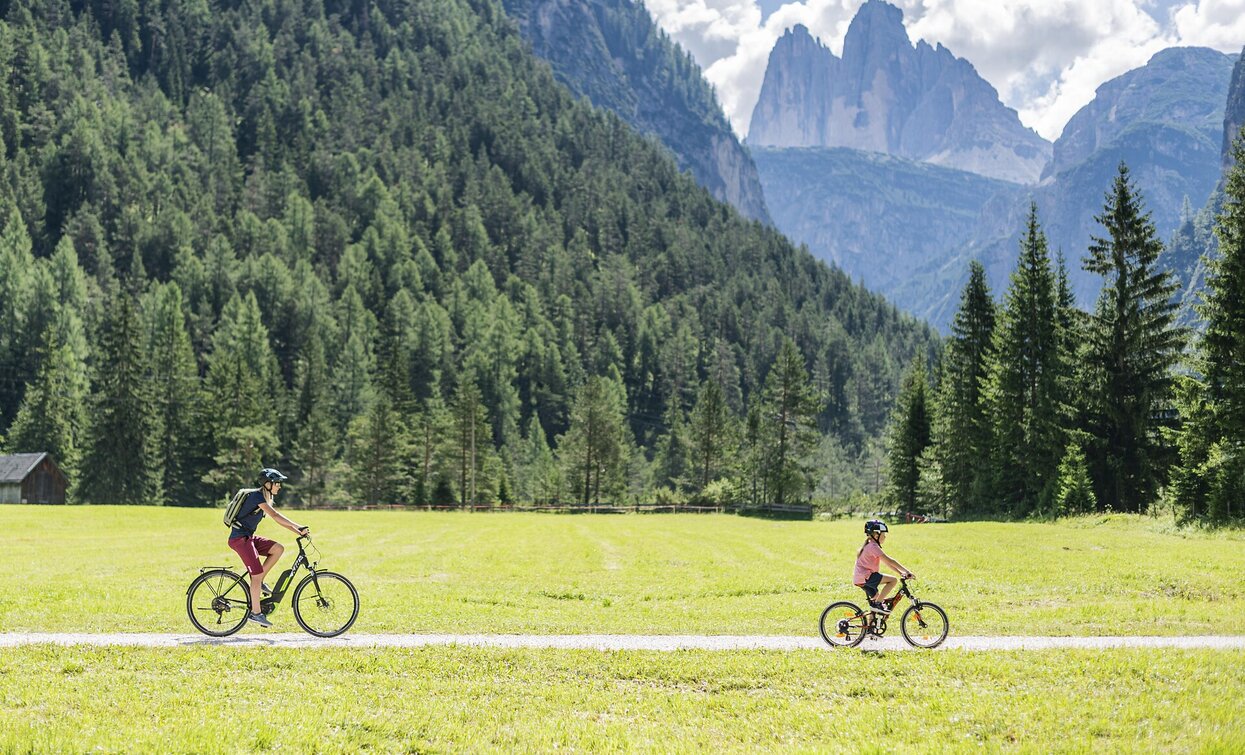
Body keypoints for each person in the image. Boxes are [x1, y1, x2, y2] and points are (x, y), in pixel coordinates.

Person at [227, 468, 310, 627]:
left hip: (248, 538)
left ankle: (259, 580)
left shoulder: (264, 497)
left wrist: (297, 531)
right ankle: (255, 613)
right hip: (240, 539)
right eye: (277, 483)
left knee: (277, 549)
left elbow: (277, 520)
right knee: (256, 576)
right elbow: (276, 516)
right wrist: (298, 526)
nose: (279, 486)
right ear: (267, 484)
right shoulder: (256, 496)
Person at [852, 519, 915, 615]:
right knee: (893, 581)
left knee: (875, 605)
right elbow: (890, 561)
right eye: (883, 534)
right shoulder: (873, 547)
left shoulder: (869, 545)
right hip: (866, 577)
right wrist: (907, 571)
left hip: (861, 579)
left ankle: (870, 628)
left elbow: (887, 563)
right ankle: (878, 604)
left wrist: (900, 573)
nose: (885, 537)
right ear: (876, 535)